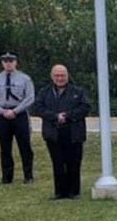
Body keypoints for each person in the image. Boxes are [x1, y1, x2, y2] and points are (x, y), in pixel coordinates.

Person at [33, 64, 90, 200]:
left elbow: (85, 107)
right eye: (57, 75)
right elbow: (38, 108)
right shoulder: (44, 92)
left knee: (74, 163)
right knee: (57, 163)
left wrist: (67, 116)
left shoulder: (78, 91)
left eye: (62, 75)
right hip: (53, 133)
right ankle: (59, 192)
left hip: (73, 133)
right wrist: (55, 117)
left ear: (67, 75)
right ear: (52, 77)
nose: (60, 78)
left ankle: (73, 192)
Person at [0, 51, 36, 185]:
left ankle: (28, 176)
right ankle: (7, 178)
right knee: (5, 148)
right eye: (5, 61)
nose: (8, 63)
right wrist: (2, 111)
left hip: (19, 115)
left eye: (11, 61)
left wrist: (15, 111)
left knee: (25, 146)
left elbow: (30, 97)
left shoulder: (25, 79)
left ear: (16, 62)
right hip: (2, 116)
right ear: (2, 63)